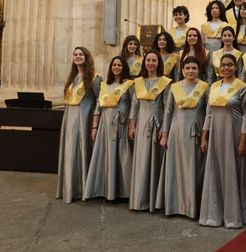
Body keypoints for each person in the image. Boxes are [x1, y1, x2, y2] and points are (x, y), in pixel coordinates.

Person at [200, 53, 246, 228]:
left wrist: (242, 139)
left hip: (234, 134)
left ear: (235, 67)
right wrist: (204, 136)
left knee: (234, 171)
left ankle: (234, 215)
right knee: (215, 171)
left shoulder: (242, 87)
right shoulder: (214, 86)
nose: (226, 68)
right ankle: (215, 214)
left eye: (230, 65)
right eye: (223, 65)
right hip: (215, 134)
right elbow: (208, 113)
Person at [156, 56, 209, 219]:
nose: (191, 71)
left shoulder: (205, 87)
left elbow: (208, 113)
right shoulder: (174, 87)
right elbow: (168, 112)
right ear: (182, 70)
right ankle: (174, 205)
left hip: (195, 133)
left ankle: (193, 206)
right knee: (176, 168)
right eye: (188, 68)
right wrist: (164, 135)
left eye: (194, 68)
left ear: (198, 70)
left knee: (193, 168)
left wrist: (205, 136)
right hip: (176, 133)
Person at [83, 56, 134, 201]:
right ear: (111, 67)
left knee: (122, 156)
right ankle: (104, 189)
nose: (117, 67)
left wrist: (131, 124)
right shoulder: (104, 85)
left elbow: (134, 107)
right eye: (114, 65)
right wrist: (94, 127)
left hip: (121, 125)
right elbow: (98, 108)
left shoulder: (130, 84)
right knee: (104, 155)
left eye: (119, 65)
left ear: (124, 67)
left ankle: (123, 191)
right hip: (105, 125)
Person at [128, 51, 172, 212]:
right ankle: (140, 199)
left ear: (158, 63)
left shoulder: (165, 82)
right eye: (148, 60)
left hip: (157, 124)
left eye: (154, 60)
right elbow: (134, 105)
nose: (151, 63)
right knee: (141, 160)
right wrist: (132, 125)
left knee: (154, 160)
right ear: (144, 63)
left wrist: (164, 128)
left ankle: (154, 200)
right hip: (141, 125)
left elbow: (168, 108)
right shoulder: (138, 82)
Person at [57, 47, 102, 203]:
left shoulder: (95, 78)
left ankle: (82, 188)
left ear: (86, 57)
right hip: (69, 118)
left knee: (81, 150)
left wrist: (95, 123)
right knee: (70, 152)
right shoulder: (73, 78)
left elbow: (99, 100)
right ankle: (69, 188)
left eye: (80, 54)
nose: (77, 57)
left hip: (85, 119)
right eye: (75, 54)